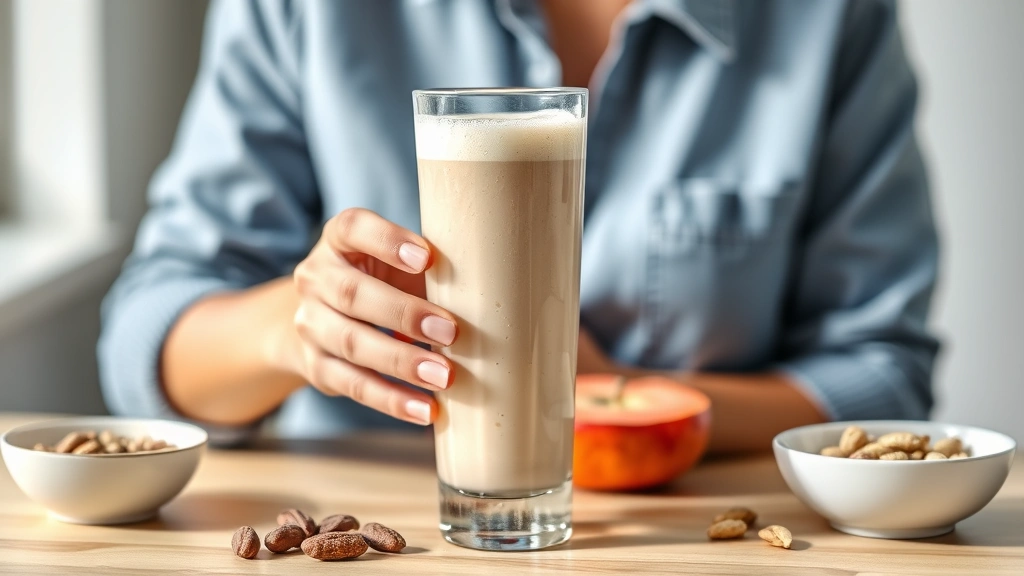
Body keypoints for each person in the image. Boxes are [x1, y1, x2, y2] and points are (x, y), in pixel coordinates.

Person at [98, 0, 940, 453]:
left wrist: (621, 406)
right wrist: (298, 327)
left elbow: (881, 382)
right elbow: (144, 337)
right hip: (388, 528)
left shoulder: (829, 16)